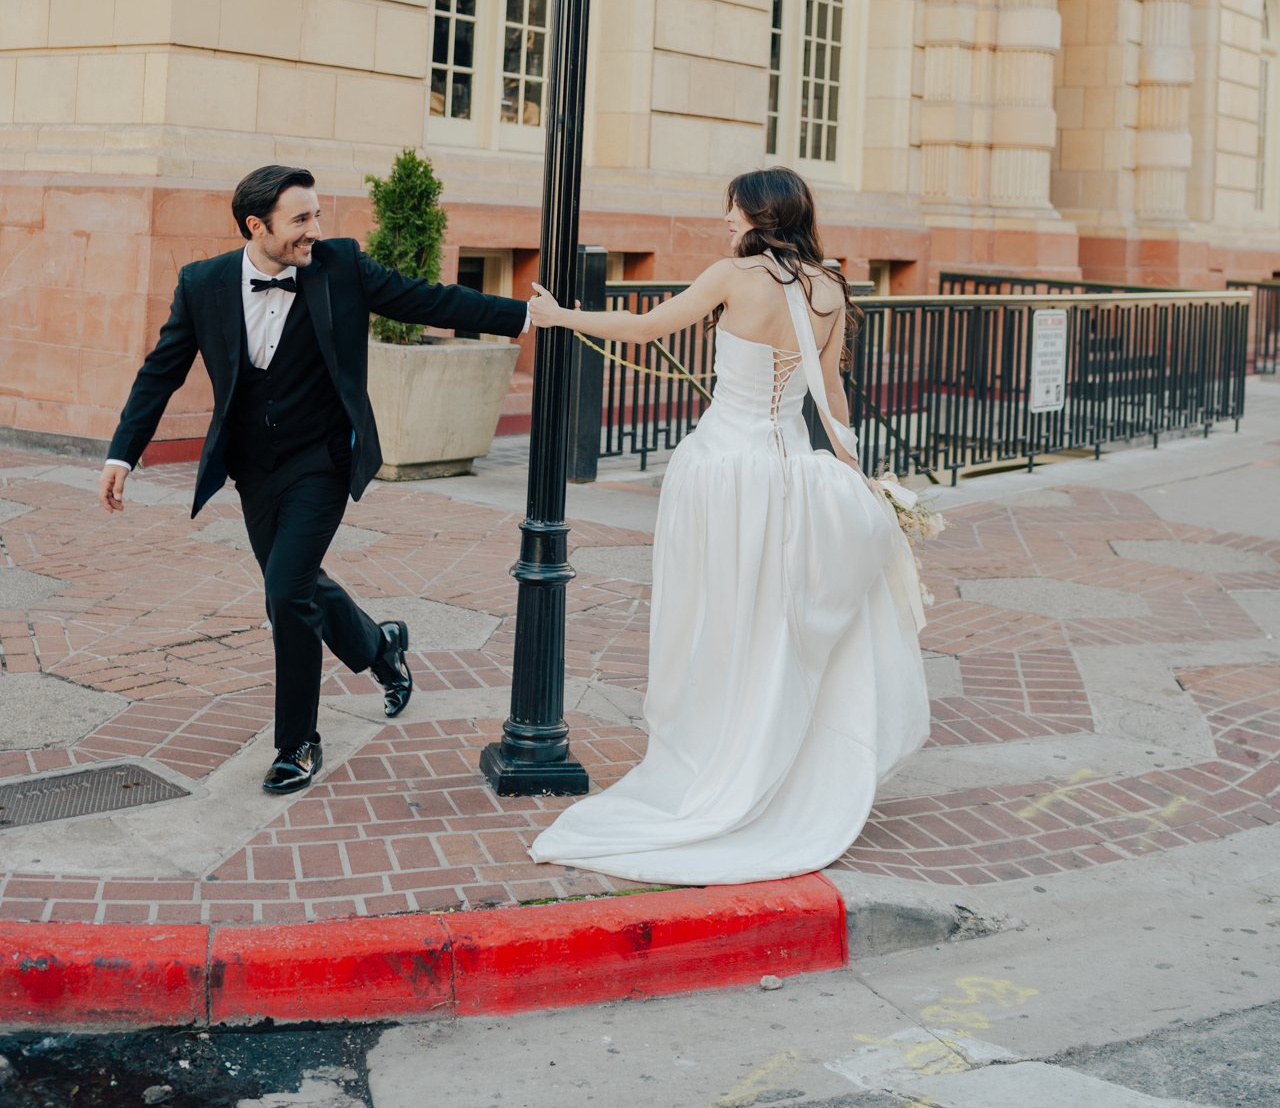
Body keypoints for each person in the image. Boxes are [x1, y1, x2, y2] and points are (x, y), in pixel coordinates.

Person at [525, 166, 930, 884]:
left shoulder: (731, 276)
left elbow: (646, 328)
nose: (724, 219)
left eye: (731, 208)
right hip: (790, 478)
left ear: (755, 214)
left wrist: (561, 318)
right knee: (774, 624)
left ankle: (715, 756)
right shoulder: (832, 287)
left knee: (710, 620)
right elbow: (830, 394)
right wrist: (858, 478)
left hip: (721, 475)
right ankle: (775, 752)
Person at [99, 164, 530, 795]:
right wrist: (122, 454)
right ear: (257, 226)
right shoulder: (203, 283)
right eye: (301, 219)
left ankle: (297, 742)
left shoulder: (341, 266)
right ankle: (381, 648)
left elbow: (428, 298)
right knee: (296, 585)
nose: (314, 230)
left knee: (284, 591)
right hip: (253, 467)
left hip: (322, 461)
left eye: (317, 215)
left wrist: (522, 315)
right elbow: (160, 370)